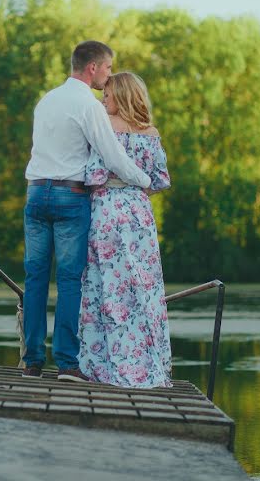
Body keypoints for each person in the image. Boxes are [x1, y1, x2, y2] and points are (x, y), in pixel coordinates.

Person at [22, 41, 152, 382]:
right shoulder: (89, 106)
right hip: (69, 197)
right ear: (92, 67)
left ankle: (32, 362)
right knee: (68, 281)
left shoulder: (46, 100)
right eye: (108, 68)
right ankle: (66, 363)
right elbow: (112, 156)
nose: (109, 75)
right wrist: (143, 179)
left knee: (35, 278)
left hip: (35, 193)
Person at [78, 71, 173, 388]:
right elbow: (160, 179)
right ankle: (146, 364)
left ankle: (103, 365)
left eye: (107, 95)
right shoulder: (151, 132)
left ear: (122, 96)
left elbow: (92, 174)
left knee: (105, 287)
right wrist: (135, 190)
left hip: (106, 211)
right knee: (143, 288)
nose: (103, 100)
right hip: (139, 215)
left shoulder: (104, 129)